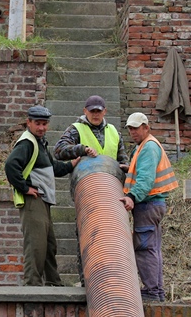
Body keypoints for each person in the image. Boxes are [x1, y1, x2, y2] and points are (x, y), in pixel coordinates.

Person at [54, 95, 130, 286]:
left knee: (111, 237)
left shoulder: (113, 131)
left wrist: (126, 167)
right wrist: (81, 149)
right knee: (87, 234)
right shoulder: (76, 129)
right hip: (87, 191)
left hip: (112, 191)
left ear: (105, 112)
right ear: (85, 111)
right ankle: (86, 280)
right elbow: (59, 150)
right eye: (92, 111)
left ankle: (112, 279)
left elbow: (123, 157)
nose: (95, 115)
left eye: (99, 111)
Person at [5, 105, 80, 286]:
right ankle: (32, 284)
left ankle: (54, 282)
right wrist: (25, 188)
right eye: (37, 123)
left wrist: (72, 163)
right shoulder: (27, 143)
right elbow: (10, 166)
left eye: (45, 124)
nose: (41, 127)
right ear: (29, 123)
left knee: (49, 244)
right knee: (36, 244)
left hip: (43, 200)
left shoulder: (40, 143)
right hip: (33, 200)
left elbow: (53, 168)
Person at [120, 112, 178, 302]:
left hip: (147, 204)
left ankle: (152, 291)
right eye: (130, 128)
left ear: (146, 127)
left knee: (145, 248)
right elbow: (143, 171)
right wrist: (129, 169)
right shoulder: (144, 146)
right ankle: (156, 290)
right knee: (152, 247)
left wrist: (131, 197)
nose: (132, 132)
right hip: (154, 204)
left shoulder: (148, 148)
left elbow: (146, 179)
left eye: (136, 128)